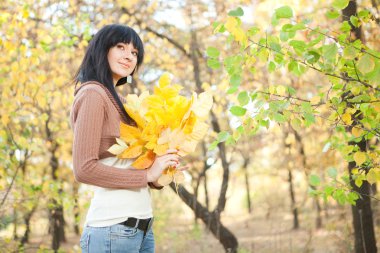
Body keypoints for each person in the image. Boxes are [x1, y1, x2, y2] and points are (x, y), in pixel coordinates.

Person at [70, 24, 183, 253]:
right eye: (121, 47)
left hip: (142, 229)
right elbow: (83, 168)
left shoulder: (121, 101)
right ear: (102, 50)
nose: (129, 56)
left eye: (134, 52)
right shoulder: (93, 94)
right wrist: (147, 174)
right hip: (113, 229)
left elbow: (128, 166)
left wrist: (160, 166)